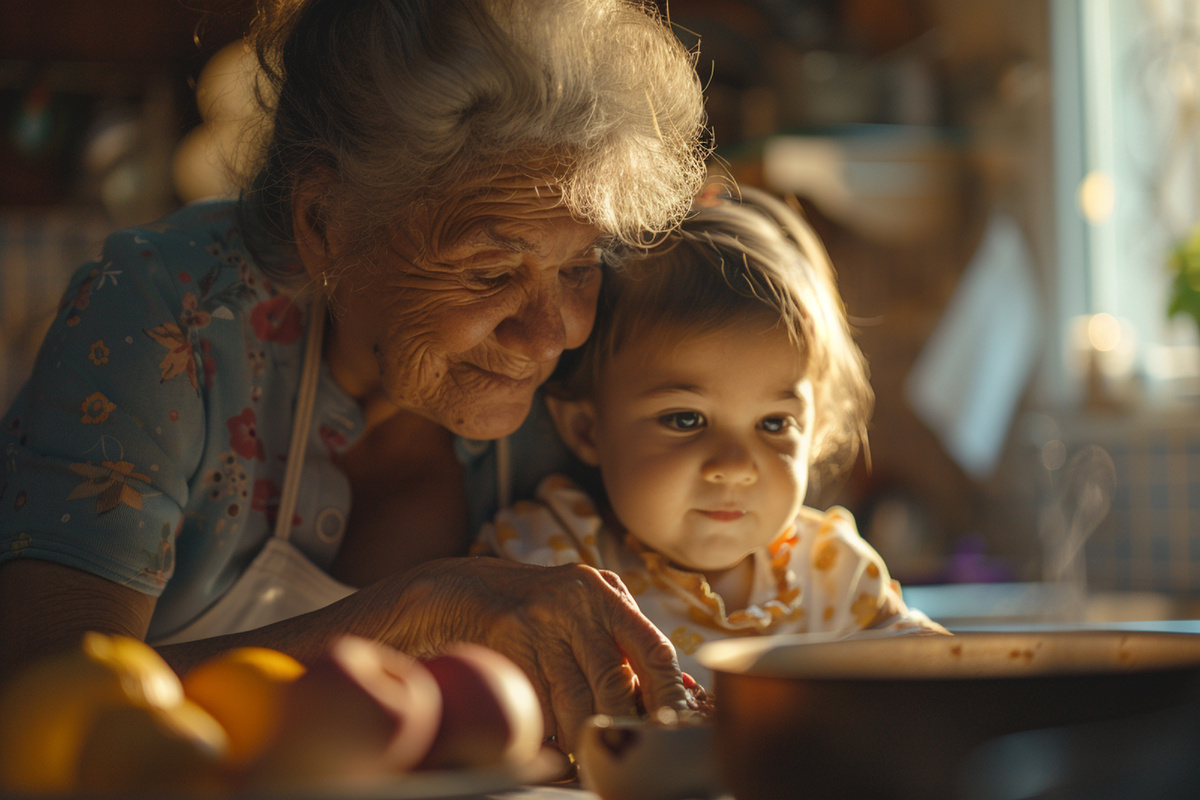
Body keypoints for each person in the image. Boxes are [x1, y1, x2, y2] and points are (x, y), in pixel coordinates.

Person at [0, 0, 710, 754]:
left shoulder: (590, 375)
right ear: (324, 221)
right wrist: (415, 614)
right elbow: (32, 693)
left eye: (578, 266)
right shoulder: (170, 320)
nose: (552, 333)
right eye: (491, 271)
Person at [476, 187, 947, 685]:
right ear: (587, 429)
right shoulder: (548, 558)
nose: (736, 465)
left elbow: (924, 673)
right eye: (685, 419)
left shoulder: (832, 571)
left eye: (773, 424)